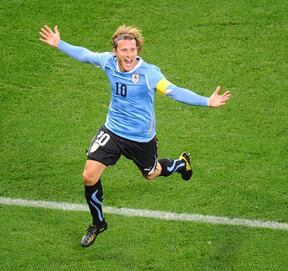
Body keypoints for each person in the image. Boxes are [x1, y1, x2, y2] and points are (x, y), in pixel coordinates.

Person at [39, 24, 231, 247]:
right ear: (115, 51)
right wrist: (59, 44)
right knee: (89, 176)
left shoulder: (149, 74)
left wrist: (206, 101)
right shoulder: (108, 62)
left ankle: (181, 163)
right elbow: (85, 55)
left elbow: (174, 91)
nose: (129, 55)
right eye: (124, 50)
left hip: (141, 138)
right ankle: (98, 223)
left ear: (138, 50)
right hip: (113, 130)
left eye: (133, 50)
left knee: (151, 174)